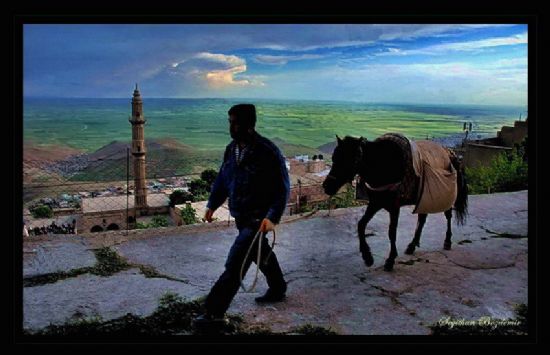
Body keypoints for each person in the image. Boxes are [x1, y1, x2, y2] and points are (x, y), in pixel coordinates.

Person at [194, 104, 290, 327]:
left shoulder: (268, 151)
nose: (232, 126)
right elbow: (223, 179)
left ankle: (213, 313)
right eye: (230, 121)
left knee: (236, 262)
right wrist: (212, 204)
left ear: (249, 124)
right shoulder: (231, 149)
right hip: (240, 215)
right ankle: (278, 288)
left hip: (258, 219)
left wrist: (273, 217)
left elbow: (282, 188)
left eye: (236, 122)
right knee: (259, 251)